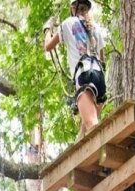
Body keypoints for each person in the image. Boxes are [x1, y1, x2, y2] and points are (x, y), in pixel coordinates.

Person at [44, 0, 107, 137]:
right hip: (100, 79)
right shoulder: (96, 28)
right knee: (85, 129)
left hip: (84, 77)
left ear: (73, 7)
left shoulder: (68, 23)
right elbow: (103, 60)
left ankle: (102, 153)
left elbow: (48, 46)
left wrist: (47, 30)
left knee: (93, 128)